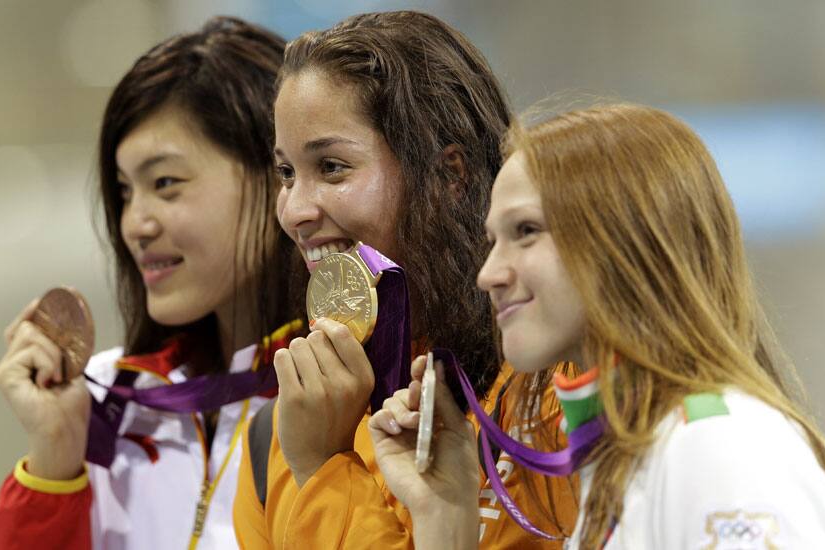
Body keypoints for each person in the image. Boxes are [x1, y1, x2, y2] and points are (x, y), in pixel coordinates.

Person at [370, 103, 825, 548]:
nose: (488, 274)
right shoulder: (633, 459)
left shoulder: (716, 447)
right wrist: (447, 515)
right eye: (494, 240)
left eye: (526, 231)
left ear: (626, 240)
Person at [233, 11, 579, 549]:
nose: (295, 210)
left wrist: (327, 471)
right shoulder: (278, 435)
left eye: (331, 167)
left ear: (448, 177)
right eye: (285, 173)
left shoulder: (560, 394)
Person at [0, 16, 300, 550]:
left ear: (278, 174)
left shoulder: (368, 400)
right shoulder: (110, 399)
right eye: (126, 191)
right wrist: (57, 456)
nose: (135, 223)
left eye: (165, 183)